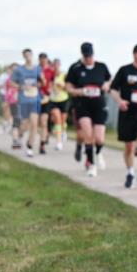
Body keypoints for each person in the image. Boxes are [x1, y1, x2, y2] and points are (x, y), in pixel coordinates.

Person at [110, 44, 137, 188]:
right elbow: (113, 89)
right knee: (129, 146)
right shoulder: (125, 70)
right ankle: (130, 173)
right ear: (136, 54)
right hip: (128, 112)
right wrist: (119, 101)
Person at [65, 42, 111, 177]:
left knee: (99, 138)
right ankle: (91, 164)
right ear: (82, 55)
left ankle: (98, 153)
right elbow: (68, 87)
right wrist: (78, 91)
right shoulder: (75, 68)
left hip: (99, 105)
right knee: (88, 135)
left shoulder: (101, 67)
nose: (88, 59)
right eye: (86, 56)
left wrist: (106, 85)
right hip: (82, 105)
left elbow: (109, 81)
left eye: (90, 56)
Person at [12, 49, 44, 157]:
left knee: (34, 124)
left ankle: (30, 147)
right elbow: (12, 83)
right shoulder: (19, 70)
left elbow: (42, 82)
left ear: (32, 55)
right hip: (24, 100)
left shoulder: (37, 69)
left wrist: (41, 82)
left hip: (35, 99)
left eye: (29, 55)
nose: (28, 57)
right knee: (25, 124)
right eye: (26, 55)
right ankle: (19, 135)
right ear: (23, 57)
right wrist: (21, 86)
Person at [47, 58, 69, 150]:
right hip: (53, 100)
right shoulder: (50, 76)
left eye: (57, 65)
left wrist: (62, 86)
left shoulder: (64, 75)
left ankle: (64, 130)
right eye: (53, 65)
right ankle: (59, 142)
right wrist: (49, 88)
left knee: (63, 121)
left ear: (59, 65)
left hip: (63, 100)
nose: (55, 67)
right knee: (57, 119)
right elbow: (47, 87)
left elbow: (69, 88)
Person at [37, 52, 56, 154]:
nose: (43, 61)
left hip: (46, 98)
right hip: (36, 98)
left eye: (45, 59)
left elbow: (52, 83)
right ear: (39, 60)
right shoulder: (35, 70)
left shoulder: (51, 71)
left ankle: (42, 145)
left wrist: (50, 89)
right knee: (36, 122)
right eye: (41, 60)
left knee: (44, 122)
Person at [3, 62, 22, 148]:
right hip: (14, 102)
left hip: (23, 102)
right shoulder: (9, 80)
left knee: (23, 122)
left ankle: (18, 136)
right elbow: (8, 92)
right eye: (13, 70)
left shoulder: (22, 79)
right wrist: (7, 101)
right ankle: (15, 140)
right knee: (17, 120)